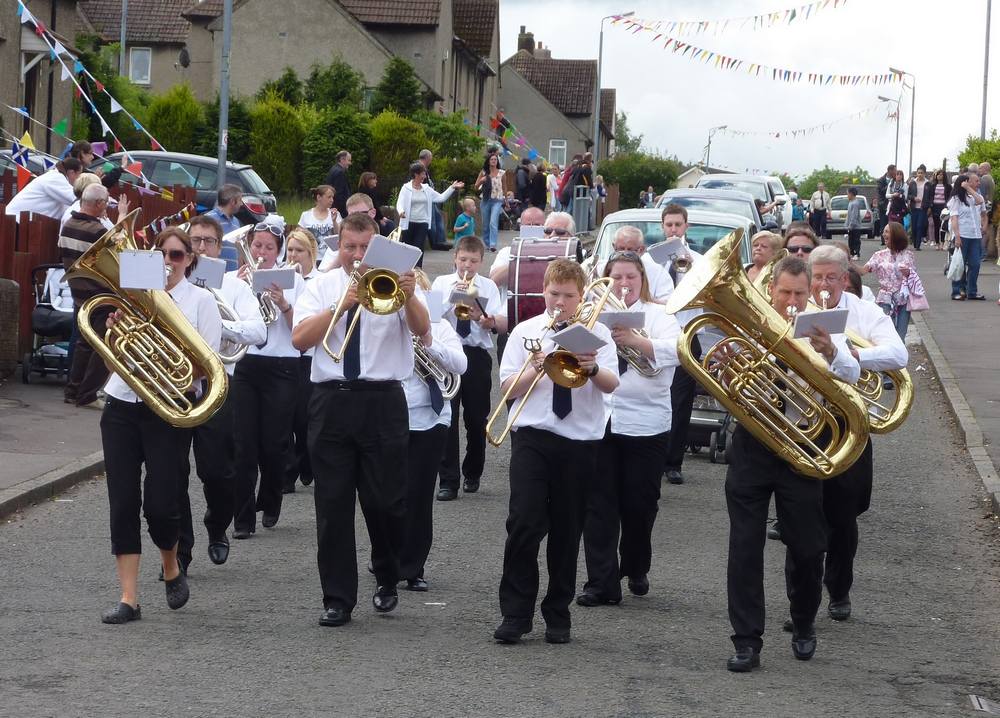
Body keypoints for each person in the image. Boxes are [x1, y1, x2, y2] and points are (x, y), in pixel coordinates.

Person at [291, 212, 431, 627]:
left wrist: (410, 297)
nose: (356, 256)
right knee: (332, 505)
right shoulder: (323, 285)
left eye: (364, 248)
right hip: (331, 400)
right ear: (339, 245)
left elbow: (423, 333)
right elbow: (299, 339)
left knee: (386, 502)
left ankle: (387, 575)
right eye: (349, 247)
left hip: (383, 401)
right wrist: (341, 304)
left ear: (377, 246)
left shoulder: (398, 281)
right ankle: (337, 597)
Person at [724, 255, 860, 672]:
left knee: (807, 547)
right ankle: (746, 640)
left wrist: (832, 352)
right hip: (752, 446)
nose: (792, 301)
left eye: (800, 293)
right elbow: (725, 387)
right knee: (744, 547)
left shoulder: (826, 327)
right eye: (785, 292)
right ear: (772, 290)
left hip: (801, 448)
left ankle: (803, 622)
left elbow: (853, 377)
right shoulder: (749, 324)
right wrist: (726, 367)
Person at [98, 227, 221, 624]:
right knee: (122, 501)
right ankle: (128, 598)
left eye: (177, 256)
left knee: (162, 503)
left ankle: (171, 563)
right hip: (121, 403)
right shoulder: (129, 298)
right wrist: (114, 333)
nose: (169, 263)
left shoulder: (201, 301)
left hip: (167, 408)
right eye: (162, 255)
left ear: (190, 260)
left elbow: (208, 369)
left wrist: (167, 330)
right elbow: (112, 364)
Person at [493, 259, 619, 645]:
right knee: (524, 522)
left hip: (580, 441)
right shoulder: (527, 331)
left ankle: (558, 612)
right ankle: (516, 613)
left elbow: (612, 385)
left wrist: (593, 367)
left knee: (567, 529)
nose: (560, 302)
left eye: (568, 295)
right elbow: (507, 389)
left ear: (582, 297)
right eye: (553, 294)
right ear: (543, 292)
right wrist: (536, 367)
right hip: (533, 435)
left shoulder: (598, 333)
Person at [792, 245, 908, 625]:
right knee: (801, 517)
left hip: (848, 424)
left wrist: (856, 357)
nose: (822, 285)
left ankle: (838, 589)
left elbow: (898, 354)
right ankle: (801, 603)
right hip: (804, 422)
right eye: (817, 277)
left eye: (830, 277)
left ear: (845, 279)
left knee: (842, 516)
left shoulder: (865, 313)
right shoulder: (794, 309)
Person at [577, 251, 680, 607]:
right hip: (601, 420)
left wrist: (636, 341)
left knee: (640, 505)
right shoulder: (593, 317)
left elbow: (680, 351)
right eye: (616, 277)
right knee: (598, 504)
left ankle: (635, 566)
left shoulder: (660, 315)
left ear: (642, 281)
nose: (623, 284)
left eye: (630, 278)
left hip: (647, 423)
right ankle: (601, 583)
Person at [180, 215, 266, 571]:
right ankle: (178, 553)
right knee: (169, 475)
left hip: (217, 385)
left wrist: (216, 323)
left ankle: (217, 526)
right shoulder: (170, 283)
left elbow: (258, 331)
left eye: (208, 242)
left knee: (217, 472)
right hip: (175, 384)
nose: (201, 248)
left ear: (220, 248)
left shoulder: (232, 286)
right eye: (195, 241)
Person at [231, 220, 305, 539]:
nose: (261, 253)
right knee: (243, 444)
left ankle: (272, 497)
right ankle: (243, 518)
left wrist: (283, 303)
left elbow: (301, 329)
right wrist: (239, 289)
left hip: (283, 365)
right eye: (257, 246)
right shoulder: (236, 279)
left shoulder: (295, 280)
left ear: (279, 252)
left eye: (268, 248)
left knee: (275, 444)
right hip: (246, 363)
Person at [397, 271, 468, 590]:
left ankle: (413, 567)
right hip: (391, 416)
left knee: (419, 496)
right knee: (387, 495)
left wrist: (427, 342)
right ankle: (386, 555)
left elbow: (460, 365)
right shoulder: (389, 325)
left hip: (431, 418)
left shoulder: (440, 327)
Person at [432, 235, 505, 500]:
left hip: (475, 353)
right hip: (447, 353)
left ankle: (472, 471)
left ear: (481, 262)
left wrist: (482, 317)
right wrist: (451, 301)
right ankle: (448, 480)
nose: (467, 265)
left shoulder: (488, 286)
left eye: (473, 261)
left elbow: (496, 322)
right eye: (463, 259)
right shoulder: (441, 283)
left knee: (476, 417)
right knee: (446, 416)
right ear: (455, 258)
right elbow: (431, 318)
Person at [58, 183, 113, 408]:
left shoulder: (68, 225)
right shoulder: (98, 231)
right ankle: (87, 395)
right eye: (106, 202)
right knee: (103, 345)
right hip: (99, 295)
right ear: (99, 204)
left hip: (78, 293)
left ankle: (73, 391)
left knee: (84, 344)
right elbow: (114, 262)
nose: (106, 206)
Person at [660, 204, 704, 485]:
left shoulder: (698, 260)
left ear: (686, 226)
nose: (673, 229)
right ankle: (653, 454)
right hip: (658, 332)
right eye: (669, 225)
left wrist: (689, 263)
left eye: (678, 224)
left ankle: (673, 462)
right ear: (662, 227)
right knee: (656, 394)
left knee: (681, 400)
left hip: (687, 333)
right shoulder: (652, 261)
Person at [282, 227, 320, 494]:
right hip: (284, 356)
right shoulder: (281, 278)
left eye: (299, 251)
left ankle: (307, 461)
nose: (293, 255)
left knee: (305, 418)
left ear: (311, 254)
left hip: (308, 357)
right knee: (285, 418)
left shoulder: (319, 281)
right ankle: (288, 472)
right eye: (290, 250)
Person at [489, 206, 545, 364]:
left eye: (538, 225)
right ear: (521, 227)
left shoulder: (553, 251)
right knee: (509, 380)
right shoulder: (507, 252)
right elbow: (493, 281)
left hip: (544, 325)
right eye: (528, 225)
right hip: (511, 324)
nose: (533, 229)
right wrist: (520, 257)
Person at [396, 162, 463, 267]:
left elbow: (441, 198)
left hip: (422, 223)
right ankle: (404, 270)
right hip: (408, 223)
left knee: (418, 248)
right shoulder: (406, 188)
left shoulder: (426, 189)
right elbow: (399, 203)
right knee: (407, 248)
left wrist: (452, 188)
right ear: (415, 174)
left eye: (424, 174)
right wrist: (401, 211)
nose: (424, 176)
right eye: (422, 174)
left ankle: (418, 272)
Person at [860, 222, 920, 338]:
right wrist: (847, 262)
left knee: (901, 335)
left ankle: (901, 355)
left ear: (896, 235)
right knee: (888, 335)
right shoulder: (879, 255)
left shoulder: (908, 255)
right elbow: (863, 271)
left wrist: (907, 273)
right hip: (885, 299)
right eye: (884, 232)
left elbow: (913, 276)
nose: (884, 235)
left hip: (903, 298)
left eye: (887, 232)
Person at [598, 225, 674, 302]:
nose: (625, 254)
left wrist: (641, 301)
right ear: (614, 247)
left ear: (641, 250)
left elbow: (667, 305)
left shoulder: (658, 272)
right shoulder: (602, 268)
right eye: (621, 249)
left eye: (630, 250)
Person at [945, 174, 986, 301]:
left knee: (975, 264)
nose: (978, 183)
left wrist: (969, 189)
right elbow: (954, 218)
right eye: (975, 181)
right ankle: (956, 291)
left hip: (975, 236)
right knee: (959, 264)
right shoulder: (956, 199)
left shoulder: (974, 197)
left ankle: (971, 291)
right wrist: (957, 236)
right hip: (962, 235)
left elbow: (980, 201)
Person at [5, 158, 81, 220]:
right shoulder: (55, 178)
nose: (79, 179)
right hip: (15, 221)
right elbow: (78, 200)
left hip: (18, 220)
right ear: (72, 172)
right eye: (79, 174)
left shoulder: (56, 177)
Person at [297, 185, 340, 261]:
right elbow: (299, 237)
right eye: (329, 197)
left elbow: (340, 236)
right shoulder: (306, 215)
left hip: (331, 259)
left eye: (332, 197)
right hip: (312, 258)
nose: (332, 200)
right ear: (319, 197)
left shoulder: (336, 214)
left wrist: (334, 221)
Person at [475, 153, 505, 252]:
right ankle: (487, 243)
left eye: (495, 159)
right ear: (488, 161)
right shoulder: (484, 172)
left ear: (497, 161)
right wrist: (481, 180)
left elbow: (505, 187)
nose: (493, 161)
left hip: (497, 200)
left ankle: (493, 245)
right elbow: (475, 186)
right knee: (485, 224)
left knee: (493, 222)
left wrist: (507, 200)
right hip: (486, 200)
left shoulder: (502, 173)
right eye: (492, 159)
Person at [907, 165, 931, 251]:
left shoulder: (928, 183)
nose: (920, 174)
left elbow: (930, 196)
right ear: (916, 173)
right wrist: (914, 198)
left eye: (921, 173)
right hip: (914, 207)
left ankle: (918, 245)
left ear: (924, 173)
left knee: (920, 225)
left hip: (923, 207)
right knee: (914, 226)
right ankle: (914, 241)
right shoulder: (912, 183)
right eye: (918, 173)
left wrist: (929, 207)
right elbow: (908, 195)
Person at [323, 150, 352, 217]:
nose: (350, 163)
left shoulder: (334, 169)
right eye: (349, 160)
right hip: (340, 210)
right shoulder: (340, 172)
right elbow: (339, 193)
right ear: (342, 159)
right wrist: (345, 210)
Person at [928, 169, 951, 249]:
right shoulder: (932, 186)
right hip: (935, 206)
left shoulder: (948, 186)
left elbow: (949, 197)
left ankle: (942, 242)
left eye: (941, 174)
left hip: (944, 207)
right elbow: (930, 196)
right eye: (938, 174)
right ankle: (937, 243)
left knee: (943, 225)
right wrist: (930, 206)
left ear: (944, 176)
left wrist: (947, 205)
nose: (940, 176)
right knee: (936, 225)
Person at [979, 162, 996, 259]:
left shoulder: (984, 179)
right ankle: (985, 252)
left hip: (985, 207)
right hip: (990, 206)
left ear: (986, 168)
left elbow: (982, 195)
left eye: (981, 168)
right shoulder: (991, 178)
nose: (979, 170)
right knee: (988, 229)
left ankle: (982, 253)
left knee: (983, 230)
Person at [876, 164, 896, 240]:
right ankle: (883, 239)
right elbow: (881, 191)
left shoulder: (895, 180)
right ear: (890, 170)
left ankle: (891, 238)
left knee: (891, 222)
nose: (896, 172)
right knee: (883, 222)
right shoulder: (881, 180)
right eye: (894, 170)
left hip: (892, 204)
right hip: (883, 204)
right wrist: (889, 184)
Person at [845, 188, 865, 260]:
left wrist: (851, 225)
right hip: (851, 226)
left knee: (856, 240)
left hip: (855, 226)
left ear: (851, 194)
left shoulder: (855, 203)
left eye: (847, 194)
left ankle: (857, 254)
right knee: (851, 240)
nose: (847, 195)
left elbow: (854, 215)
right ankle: (852, 253)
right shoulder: (851, 202)